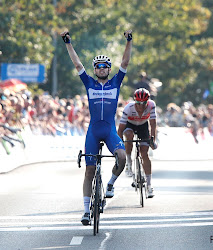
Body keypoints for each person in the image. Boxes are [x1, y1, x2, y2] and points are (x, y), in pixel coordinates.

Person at [60, 29, 132, 225]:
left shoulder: (116, 83)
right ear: (94, 69)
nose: (101, 69)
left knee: (123, 157)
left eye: (105, 66)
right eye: (98, 66)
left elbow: (125, 63)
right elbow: (77, 63)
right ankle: (85, 211)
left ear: (109, 69)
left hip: (109, 130)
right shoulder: (89, 83)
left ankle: (110, 184)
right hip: (93, 131)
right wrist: (68, 43)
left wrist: (128, 42)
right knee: (89, 170)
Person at [117, 88, 157, 198]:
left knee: (144, 154)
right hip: (130, 125)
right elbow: (120, 130)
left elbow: (153, 124)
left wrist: (153, 140)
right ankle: (129, 163)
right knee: (129, 136)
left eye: (144, 103)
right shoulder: (128, 108)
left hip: (143, 126)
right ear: (135, 101)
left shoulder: (151, 105)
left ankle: (149, 186)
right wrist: (119, 147)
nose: (141, 105)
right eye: (139, 103)